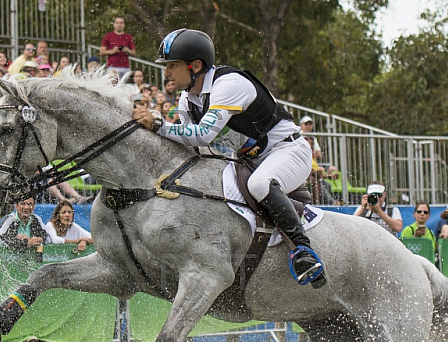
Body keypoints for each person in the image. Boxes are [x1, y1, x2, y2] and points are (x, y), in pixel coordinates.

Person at [132, 28, 325, 287]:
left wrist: (158, 124)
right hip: (247, 160)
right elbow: (191, 144)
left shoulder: (229, 85)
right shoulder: (187, 100)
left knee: (259, 185)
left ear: (196, 65)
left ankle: (303, 251)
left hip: (288, 151)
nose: (166, 72)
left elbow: (202, 135)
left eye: (173, 65)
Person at [0, 196, 52, 342]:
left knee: (36, 314)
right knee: (11, 313)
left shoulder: (37, 220)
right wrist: (24, 244)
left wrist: (38, 240)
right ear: (16, 205)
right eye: (23, 204)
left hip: (31, 274)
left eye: (30, 204)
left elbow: (48, 239)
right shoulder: (10, 220)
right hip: (11, 275)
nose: (27, 207)